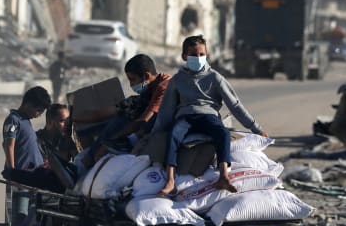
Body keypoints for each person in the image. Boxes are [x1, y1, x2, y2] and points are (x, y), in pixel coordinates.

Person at [155, 35, 267, 196]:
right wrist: (155, 132)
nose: (198, 58)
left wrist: (256, 128)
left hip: (208, 116)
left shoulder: (215, 77)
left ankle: (223, 176)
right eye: (194, 55)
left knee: (222, 133)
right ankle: (170, 181)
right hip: (185, 117)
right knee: (173, 135)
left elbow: (234, 105)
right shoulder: (177, 80)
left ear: (207, 55)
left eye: (202, 54)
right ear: (184, 56)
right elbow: (167, 110)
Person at [89, 54, 171, 162]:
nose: (131, 84)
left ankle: (90, 160)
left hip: (160, 130)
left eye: (133, 79)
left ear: (146, 76)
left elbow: (144, 120)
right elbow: (102, 114)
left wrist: (115, 139)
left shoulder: (164, 87)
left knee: (121, 122)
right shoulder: (150, 91)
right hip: (147, 126)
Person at [2, 86, 51, 171]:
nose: (38, 115)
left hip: (32, 175)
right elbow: (9, 146)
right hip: (21, 176)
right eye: (38, 111)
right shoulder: (14, 120)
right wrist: (12, 172)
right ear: (28, 104)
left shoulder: (25, 121)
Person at [36, 103, 79, 189]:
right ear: (49, 121)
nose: (67, 125)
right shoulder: (37, 140)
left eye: (68, 122)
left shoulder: (66, 140)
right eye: (62, 121)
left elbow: (79, 162)